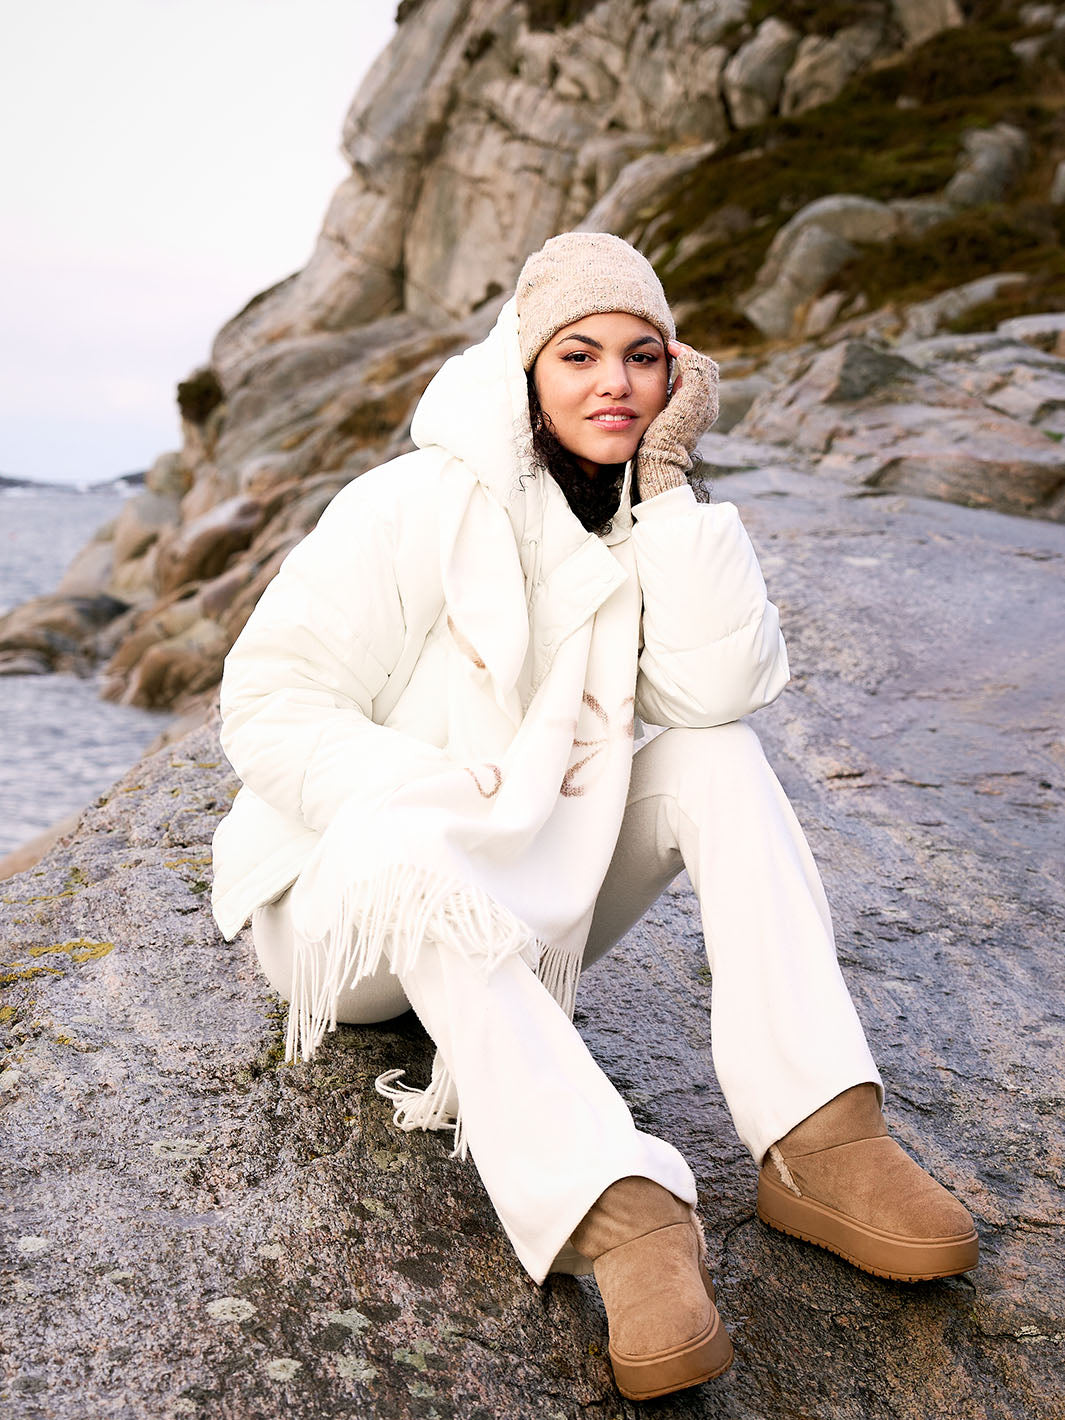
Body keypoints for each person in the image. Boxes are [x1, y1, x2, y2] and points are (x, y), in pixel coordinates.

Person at [210, 232, 979, 1403]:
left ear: (675, 379)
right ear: (526, 367)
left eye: (643, 356)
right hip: (344, 904)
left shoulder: (635, 517)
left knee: (716, 759)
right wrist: (442, 802)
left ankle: (821, 1135)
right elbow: (267, 700)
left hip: (527, 861)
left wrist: (668, 486)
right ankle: (617, 1210)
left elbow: (713, 693)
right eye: (579, 354)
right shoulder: (415, 500)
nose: (613, 381)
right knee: (429, 856)